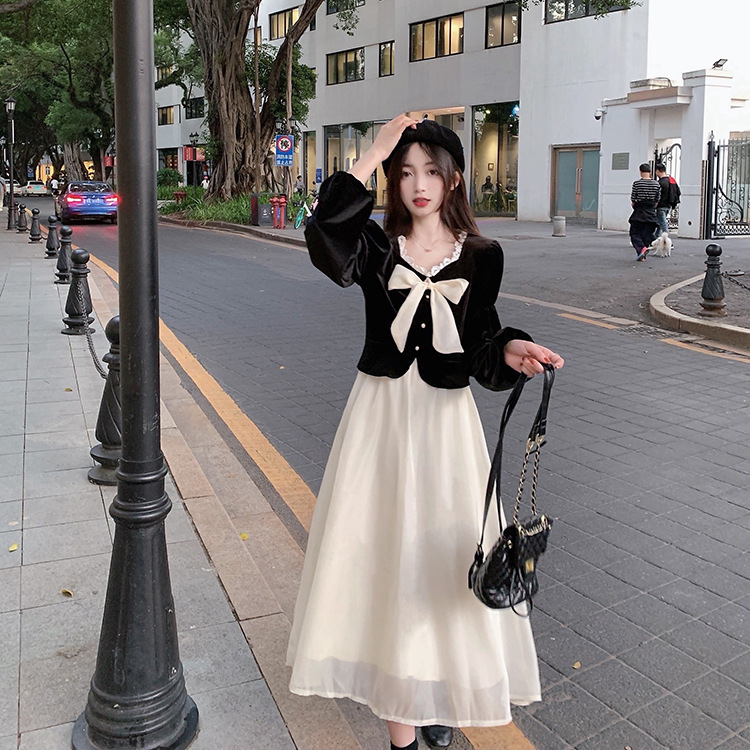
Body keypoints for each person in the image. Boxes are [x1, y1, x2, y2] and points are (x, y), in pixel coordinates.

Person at [287, 115, 564, 750]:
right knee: (383, 554)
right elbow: (324, 234)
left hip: (445, 425)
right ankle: (402, 729)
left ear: (453, 179)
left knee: (442, 560)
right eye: (405, 172)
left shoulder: (483, 256)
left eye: (431, 172)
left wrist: (515, 349)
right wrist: (374, 150)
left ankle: (435, 685)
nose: (418, 185)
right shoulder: (375, 246)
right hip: (379, 421)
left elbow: (482, 342)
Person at [628, 162, 661, 261]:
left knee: (634, 233)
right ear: (650, 172)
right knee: (646, 234)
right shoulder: (656, 184)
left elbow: (633, 198)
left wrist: (635, 204)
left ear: (640, 172)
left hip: (639, 211)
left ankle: (641, 250)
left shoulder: (637, 183)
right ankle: (642, 254)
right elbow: (657, 199)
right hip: (650, 212)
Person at [654, 163, 680, 237]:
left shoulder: (659, 183)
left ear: (657, 171)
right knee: (659, 223)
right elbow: (678, 192)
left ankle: (667, 238)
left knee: (662, 223)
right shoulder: (672, 180)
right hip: (669, 205)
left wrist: (655, 204)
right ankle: (656, 237)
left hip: (660, 205)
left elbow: (657, 195)